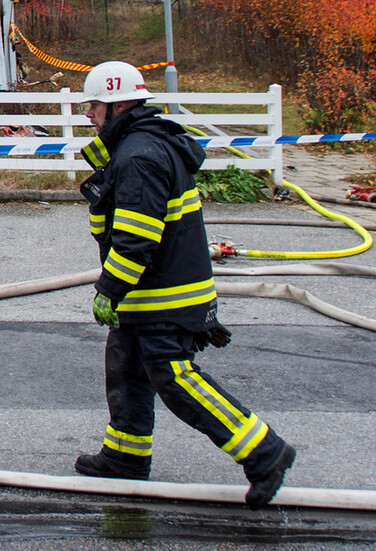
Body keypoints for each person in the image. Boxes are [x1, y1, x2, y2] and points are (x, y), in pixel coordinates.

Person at [74, 61, 295, 510]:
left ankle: (264, 451)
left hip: (163, 294)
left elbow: (136, 236)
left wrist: (109, 289)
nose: (89, 115)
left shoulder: (139, 156)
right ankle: (125, 456)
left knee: (173, 376)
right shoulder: (140, 146)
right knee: (127, 367)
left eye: (94, 106)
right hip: (150, 291)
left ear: (117, 104)